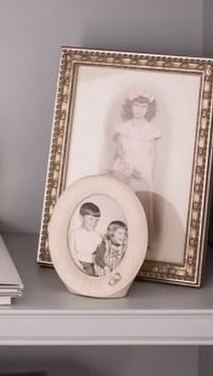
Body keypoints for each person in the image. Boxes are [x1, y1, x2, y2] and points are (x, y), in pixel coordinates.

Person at [111, 90, 161, 234]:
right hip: (125, 165)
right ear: (130, 107)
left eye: (143, 107)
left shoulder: (150, 129)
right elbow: (119, 150)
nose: (139, 110)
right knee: (125, 197)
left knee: (141, 199)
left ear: (148, 109)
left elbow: (152, 154)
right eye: (136, 106)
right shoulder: (124, 127)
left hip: (143, 167)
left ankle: (141, 233)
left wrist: (148, 173)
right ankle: (121, 230)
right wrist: (127, 166)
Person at [69, 201, 104, 275]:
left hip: (91, 265)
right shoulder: (74, 234)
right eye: (91, 219)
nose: (94, 222)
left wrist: (98, 267)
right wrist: (79, 266)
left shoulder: (98, 237)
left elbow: (99, 255)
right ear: (81, 218)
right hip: (76, 263)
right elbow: (71, 253)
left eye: (96, 220)